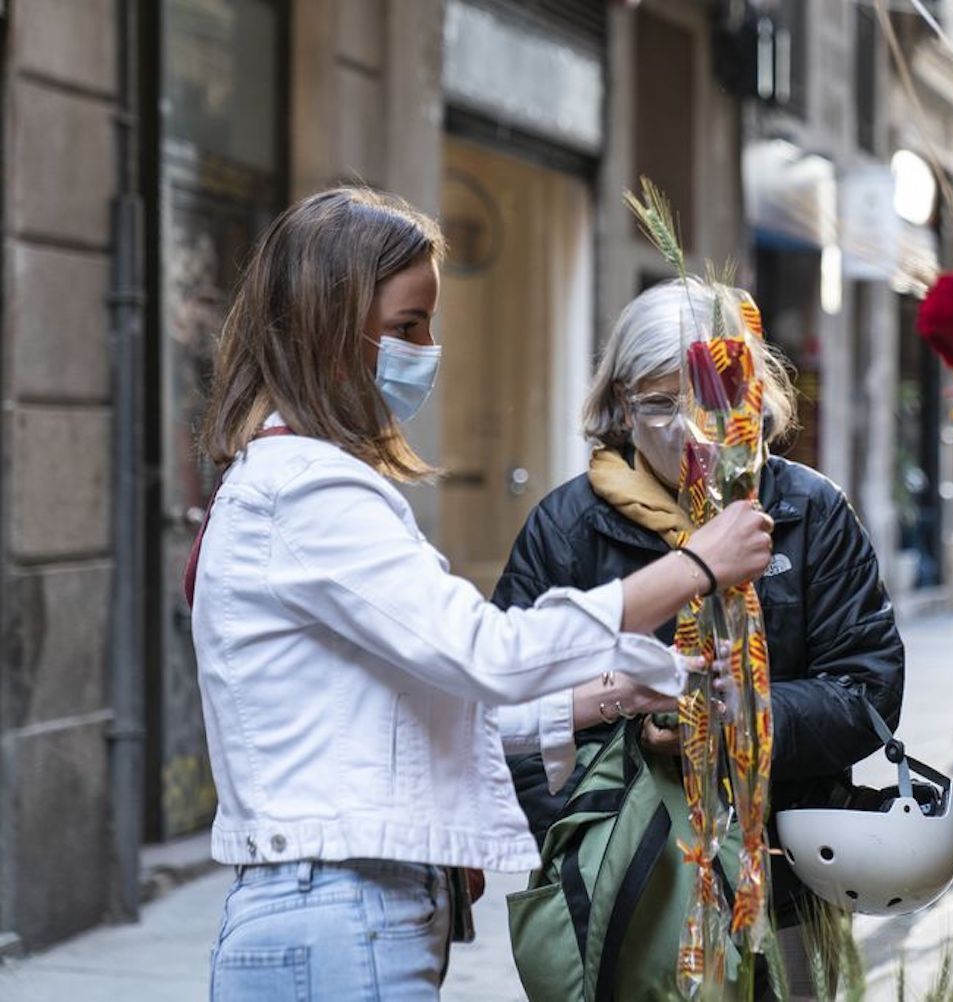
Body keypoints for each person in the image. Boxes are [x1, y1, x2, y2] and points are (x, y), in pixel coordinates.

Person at [191, 188, 774, 1000]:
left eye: (428, 323)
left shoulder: (303, 481)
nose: (429, 349)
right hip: (341, 915)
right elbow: (484, 652)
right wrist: (694, 569)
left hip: (344, 913)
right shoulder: (308, 491)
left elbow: (422, 705)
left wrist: (607, 696)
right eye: (405, 326)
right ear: (327, 331)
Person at [492, 278, 904, 999]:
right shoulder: (566, 528)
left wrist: (744, 718)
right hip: (627, 887)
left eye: (713, 402)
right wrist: (595, 833)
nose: (692, 432)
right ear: (619, 405)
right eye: (659, 406)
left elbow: (868, 688)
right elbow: (511, 711)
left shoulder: (808, 511)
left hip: (782, 880)